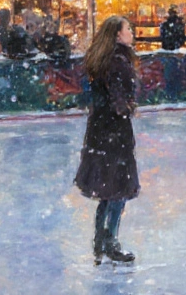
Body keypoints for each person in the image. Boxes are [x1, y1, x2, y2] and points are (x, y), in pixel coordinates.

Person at [74, 16, 140, 265]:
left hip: (99, 132)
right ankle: (110, 241)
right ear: (117, 35)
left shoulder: (102, 59)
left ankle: (100, 240)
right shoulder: (118, 62)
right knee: (117, 190)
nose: (131, 33)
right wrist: (126, 108)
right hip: (114, 133)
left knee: (106, 191)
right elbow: (118, 98)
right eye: (128, 29)